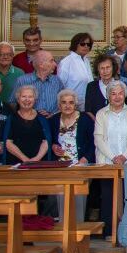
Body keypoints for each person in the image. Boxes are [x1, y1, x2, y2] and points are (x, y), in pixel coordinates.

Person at [94, 80, 127, 237]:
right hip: (107, 162)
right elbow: (98, 139)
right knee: (108, 197)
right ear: (108, 96)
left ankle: (126, 232)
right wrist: (114, 157)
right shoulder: (101, 113)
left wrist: (124, 156)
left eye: (120, 93)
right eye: (113, 94)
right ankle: (109, 232)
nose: (117, 97)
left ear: (125, 95)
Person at [49, 89, 95, 221]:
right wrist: (53, 146)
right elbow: (49, 140)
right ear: (59, 105)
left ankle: (78, 227)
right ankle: (63, 227)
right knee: (60, 197)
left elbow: (93, 142)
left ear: (76, 104)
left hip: (81, 164)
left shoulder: (85, 119)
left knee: (79, 197)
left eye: (71, 102)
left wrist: (85, 158)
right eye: (64, 103)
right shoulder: (53, 120)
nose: (67, 106)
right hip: (60, 166)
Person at [4, 85, 52, 165]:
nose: (27, 99)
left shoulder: (42, 119)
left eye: (30, 97)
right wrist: (25, 159)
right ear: (18, 99)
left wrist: (36, 159)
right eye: (23, 96)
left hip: (39, 164)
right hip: (16, 164)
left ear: (35, 100)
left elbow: (46, 142)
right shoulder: (11, 118)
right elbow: (8, 143)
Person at [13, 51, 62, 116]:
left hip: (52, 121)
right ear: (41, 64)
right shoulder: (22, 81)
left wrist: (53, 114)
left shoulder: (57, 81)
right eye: (51, 61)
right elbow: (13, 103)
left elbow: (63, 102)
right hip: (30, 121)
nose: (55, 64)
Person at [57, 33, 95, 110]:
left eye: (88, 44)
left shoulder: (86, 61)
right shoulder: (67, 62)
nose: (86, 46)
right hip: (71, 105)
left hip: (86, 104)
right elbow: (59, 85)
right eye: (82, 44)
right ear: (75, 44)